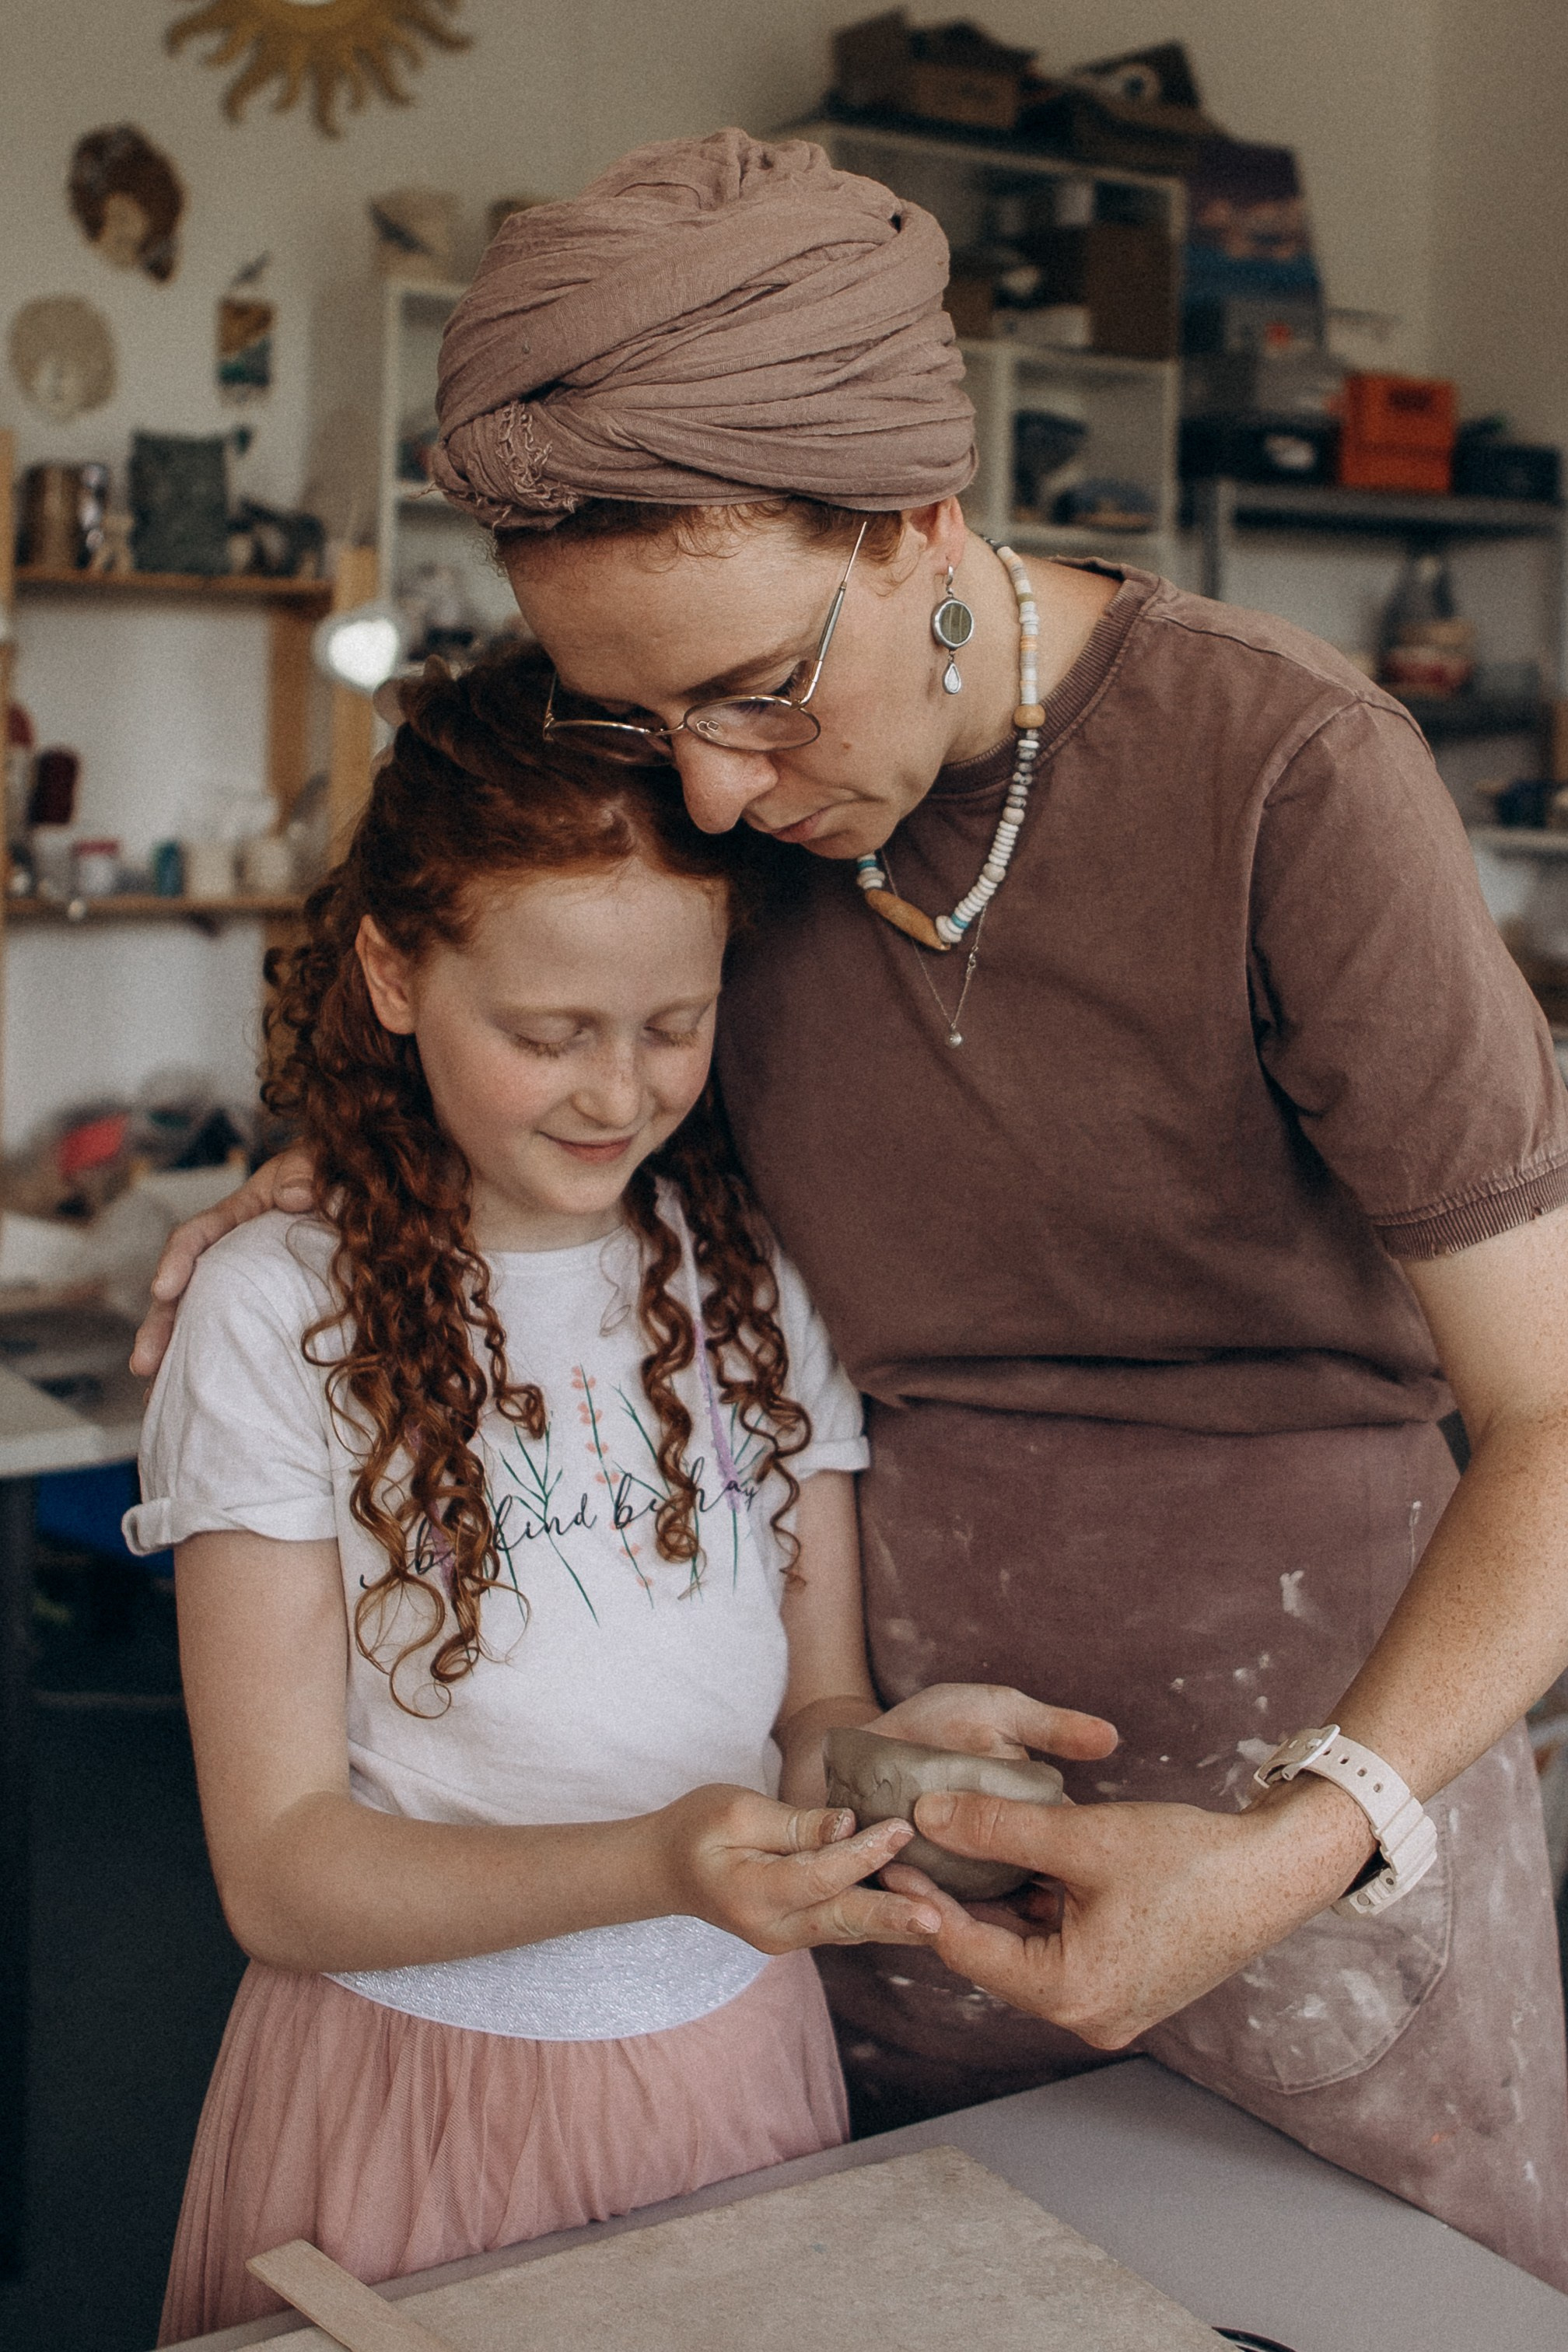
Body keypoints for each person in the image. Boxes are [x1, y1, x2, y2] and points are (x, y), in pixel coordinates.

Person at [135, 131, 1568, 2286]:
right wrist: (347, 1168)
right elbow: (534, 1006)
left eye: (755, 692)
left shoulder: (1286, 776)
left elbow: (1557, 1413)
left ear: (921, 524)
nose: (713, 795)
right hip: (869, 1856)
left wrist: (1297, 1846)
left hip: (1315, 1778)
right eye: (642, 718)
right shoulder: (733, 805)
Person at [126, 652, 1094, 2341]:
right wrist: (658, 1861)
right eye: (549, 1033)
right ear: (395, 971)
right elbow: (278, 1870)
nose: (619, 1090)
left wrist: (894, 1765)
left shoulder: (752, 1277)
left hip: (733, 2065)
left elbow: (812, 1703)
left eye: (673, 1025)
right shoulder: (276, 1310)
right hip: (411, 2099)